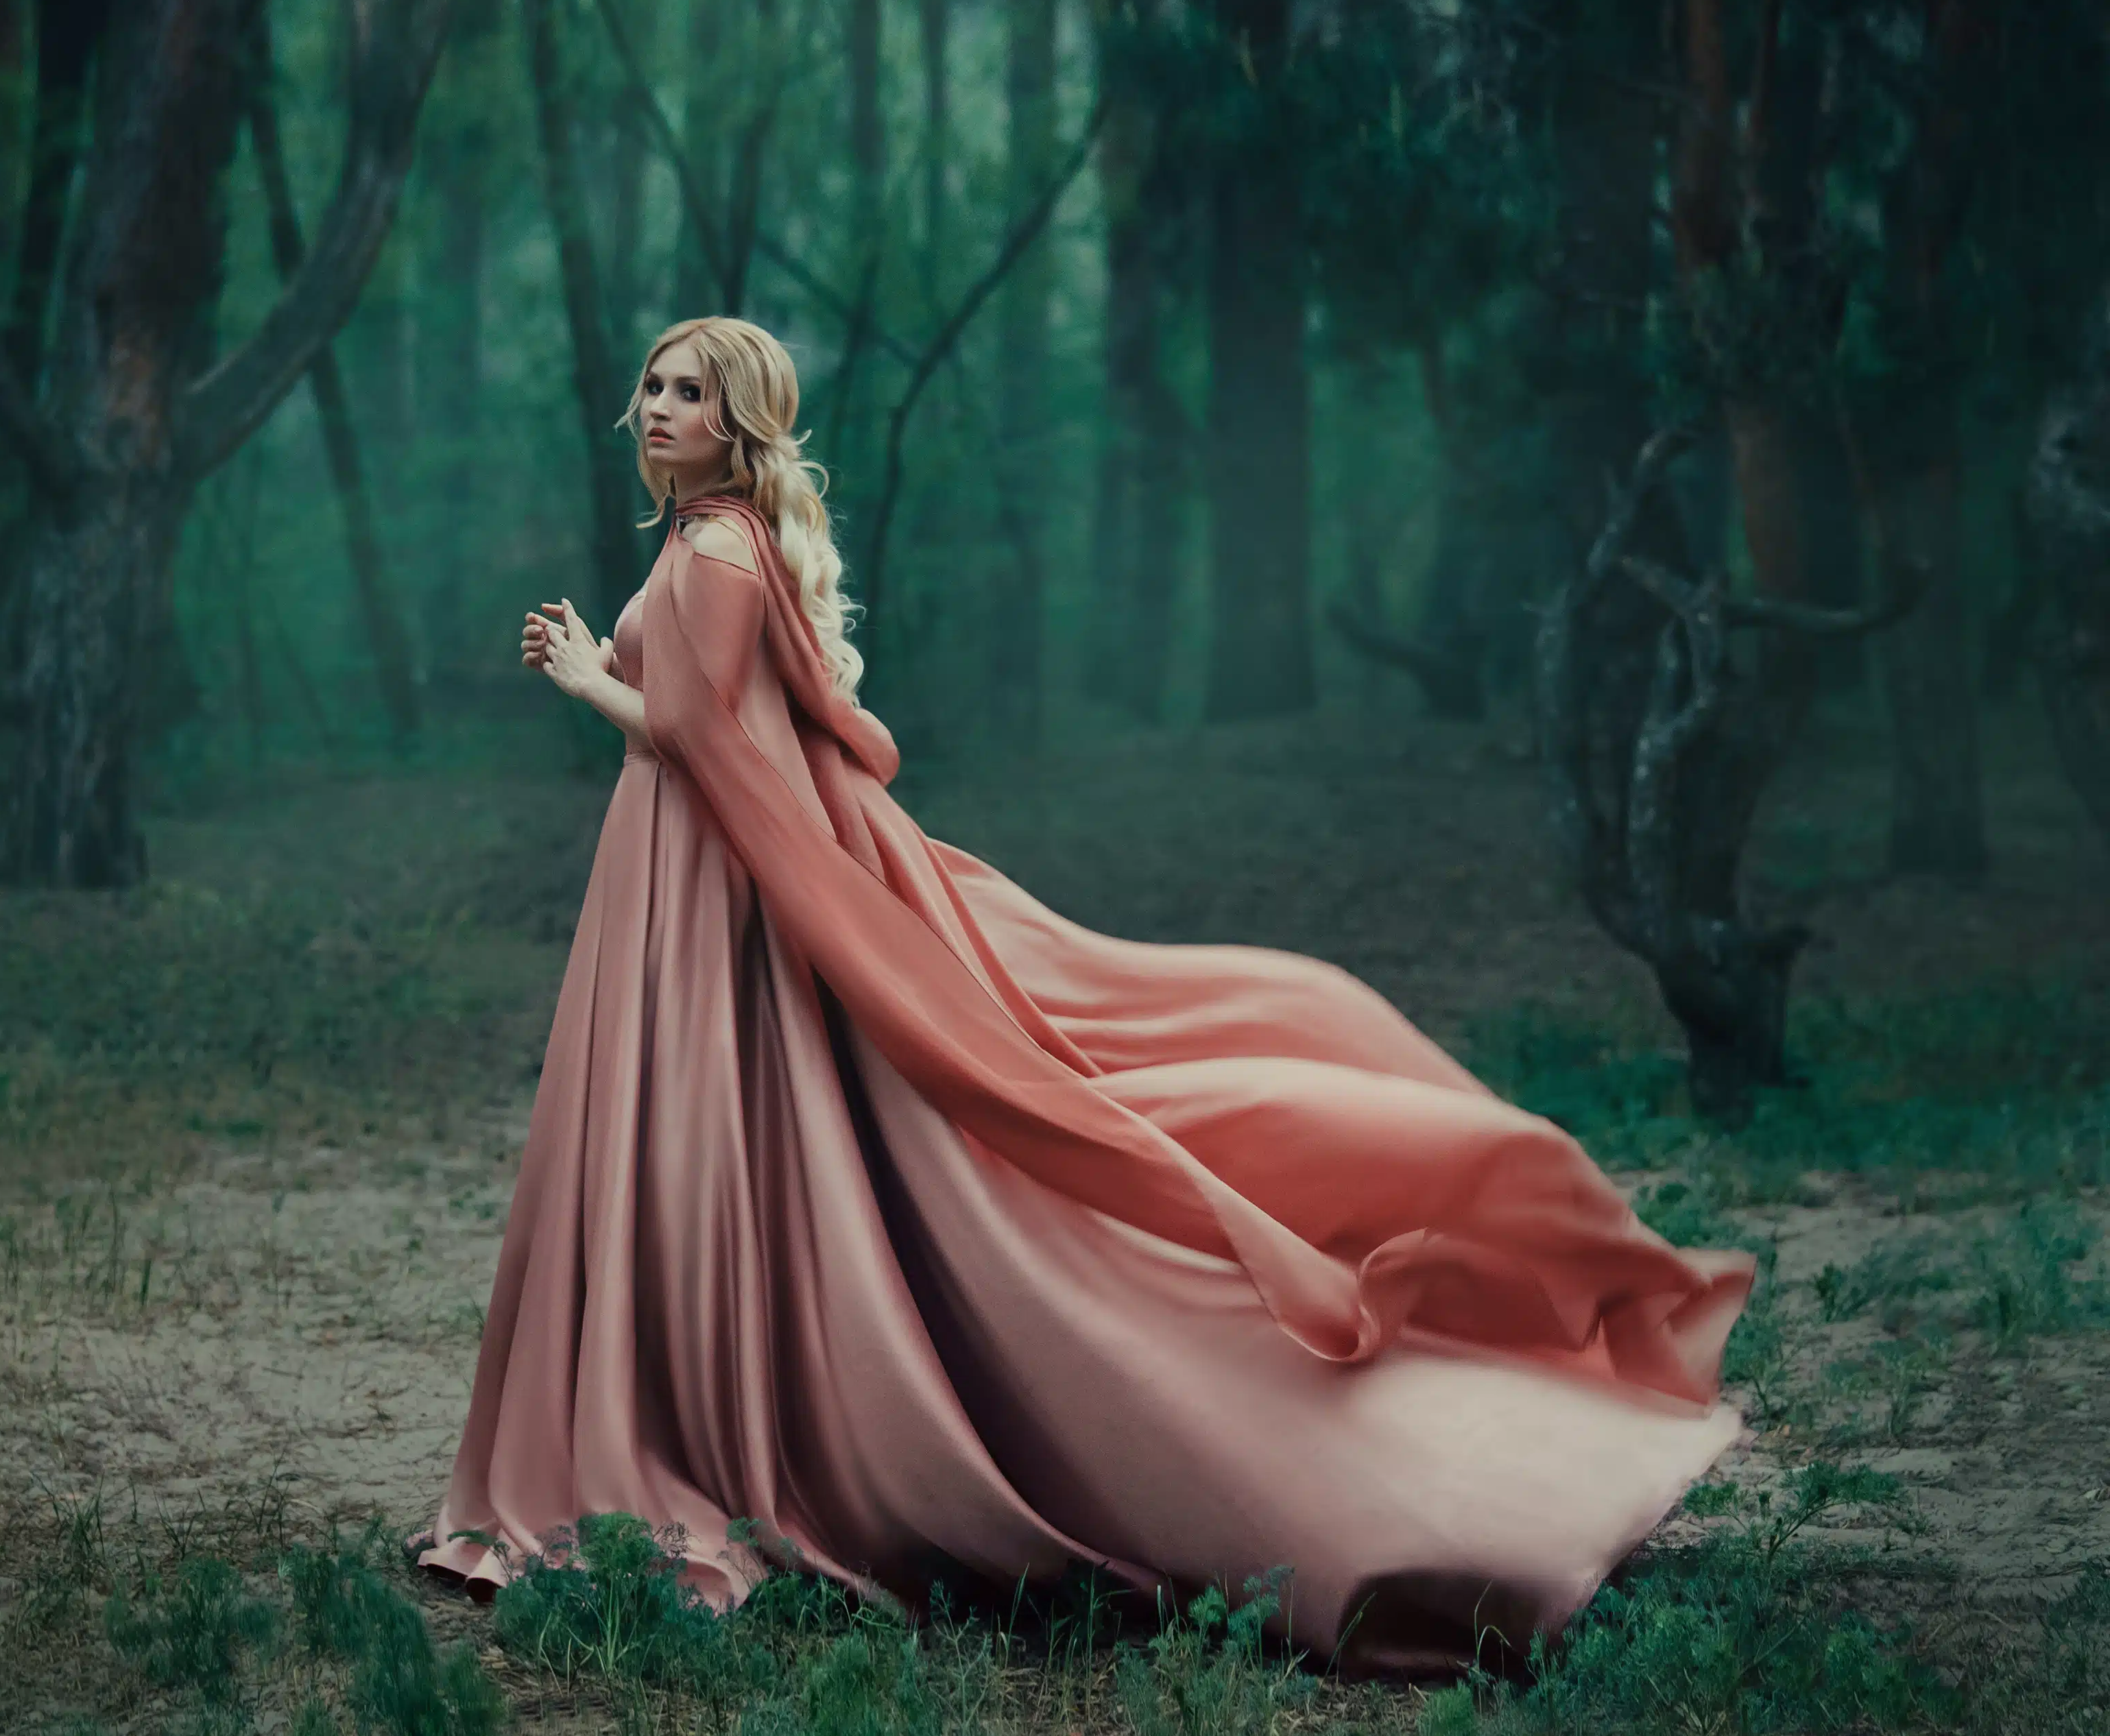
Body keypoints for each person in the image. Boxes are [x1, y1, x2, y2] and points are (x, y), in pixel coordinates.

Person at [409, 315, 1750, 1676]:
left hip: (711, 886)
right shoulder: (712, 538)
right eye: (650, 384)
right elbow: (747, 731)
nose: (654, 405)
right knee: (753, 1158)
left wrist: (590, 677)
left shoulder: (709, 551)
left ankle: (721, 1441)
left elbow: (708, 748)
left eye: (687, 391)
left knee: (755, 1155)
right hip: (694, 886)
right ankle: (712, 1420)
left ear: (738, 421)